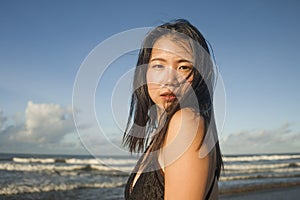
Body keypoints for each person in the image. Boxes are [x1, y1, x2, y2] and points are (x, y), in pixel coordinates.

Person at [123, 19, 223, 200]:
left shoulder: (186, 122)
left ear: (200, 75)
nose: (169, 79)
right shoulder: (164, 132)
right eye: (159, 65)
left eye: (183, 67)